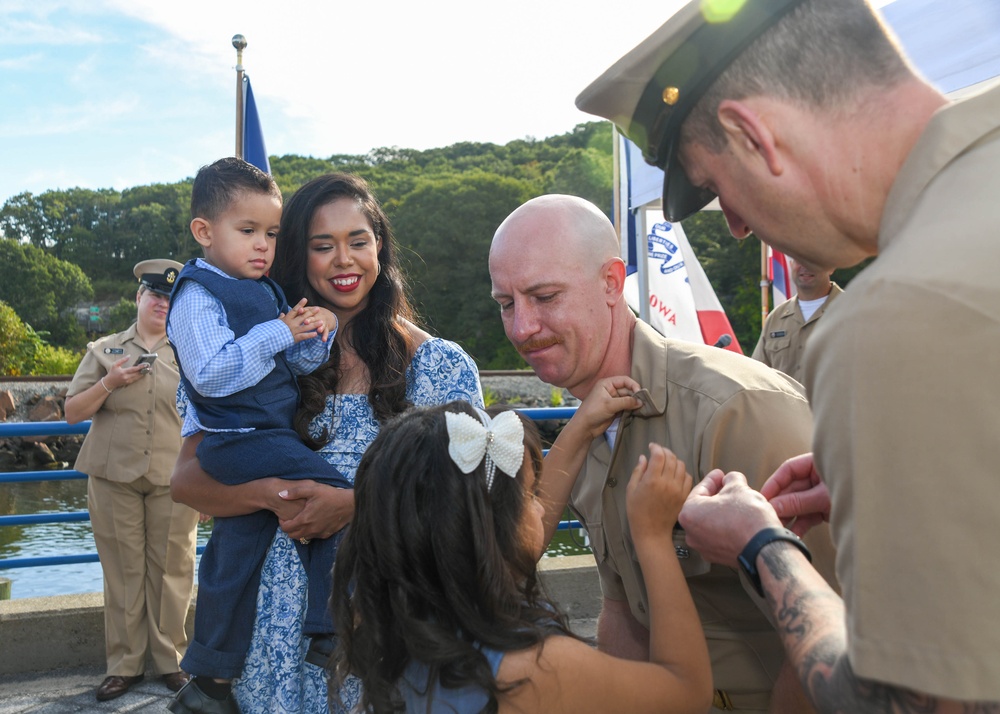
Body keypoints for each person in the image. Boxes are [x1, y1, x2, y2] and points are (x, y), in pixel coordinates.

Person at [577, 0, 1000, 710]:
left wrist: (762, 547)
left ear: (754, 134)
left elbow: (890, 701)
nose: (738, 228)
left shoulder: (895, 318)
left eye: (717, 188)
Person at [489, 194, 837, 712]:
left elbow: (833, 622)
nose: (522, 328)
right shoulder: (587, 432)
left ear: (612, 282)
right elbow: (623, 611)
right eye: (505, 303)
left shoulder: (735, 410)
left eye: (544, 296)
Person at [170, 172, 484, 714]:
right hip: (265, 629)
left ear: (379, 247)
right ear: (297, 254)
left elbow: (474, 497)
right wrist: (275, 496)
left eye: (358, 241)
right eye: (322, 246)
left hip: (383, 616)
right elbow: (187, 481)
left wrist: (352, 504)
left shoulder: (438, 364)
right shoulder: (250, 355)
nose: (343, 260)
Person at [331, 397, 712, 714]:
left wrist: (579, 428)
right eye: (530, 495)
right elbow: (687, 690)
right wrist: (653, 536)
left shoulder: (401, 630)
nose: (542, 508)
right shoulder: (534, 671)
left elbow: (510, 541)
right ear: (491, 530)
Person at [166, 158, 351, 714]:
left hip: (257, 434)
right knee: (337, 494)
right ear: (204, 231)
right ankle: (331, 629)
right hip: (238, 435)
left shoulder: (264, 291)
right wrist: (277, 332)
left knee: (233, 557)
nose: (262, 246)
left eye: (271, 233)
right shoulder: (198, 294)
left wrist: (318, 332)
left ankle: (209, 680)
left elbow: (292, 365)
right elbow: (211, 374)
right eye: (247, 230)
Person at [65, 259, 198, 701]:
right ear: (139, 297)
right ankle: (124, 666)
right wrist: (109, 383)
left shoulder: (192, 351)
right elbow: (72, 412)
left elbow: (210, 416)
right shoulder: (104, 349)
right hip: (113, 477)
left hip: (174, 477)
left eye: (170, 298)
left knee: (174, 570)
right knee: (123, 571)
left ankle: (171, 662)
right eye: (155, 295)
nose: (162, 303)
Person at [751, 259, 841, 382]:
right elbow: (757, 375)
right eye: (799, 259)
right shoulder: (776, 318)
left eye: (812, 259)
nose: (805, 266)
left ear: (831, 267)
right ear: (791, 264)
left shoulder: (854, 310)